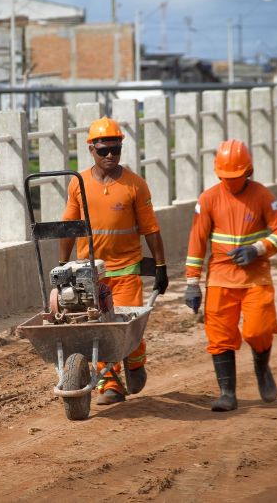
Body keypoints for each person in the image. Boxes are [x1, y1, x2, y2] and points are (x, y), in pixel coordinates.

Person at [60, 116, 169, 405]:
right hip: (90, 274)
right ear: (91, 150)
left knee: (126, 327)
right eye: (103, 150)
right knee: (95, 328)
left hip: (127, 269)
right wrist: (62, 266)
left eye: (115, 149)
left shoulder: (135, 184)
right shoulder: (78, 184)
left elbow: (151, 229)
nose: (110, 155)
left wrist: (160, 267)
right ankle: (110, 383)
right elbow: (68, 227)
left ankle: (135, 364)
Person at [184, 139, 277, 412]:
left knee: (259, 329)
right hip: (221, 277)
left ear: (248, 171)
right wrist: (191, 283)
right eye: (225, 177)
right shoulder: (208, 199)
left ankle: (262, 367)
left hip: (255, 276)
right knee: (219, 336)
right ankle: (227, 393)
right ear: (218, 173)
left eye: (235, 176)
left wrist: (258, 249)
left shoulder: (263, 196)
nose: (230, 182)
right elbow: (197, 241)